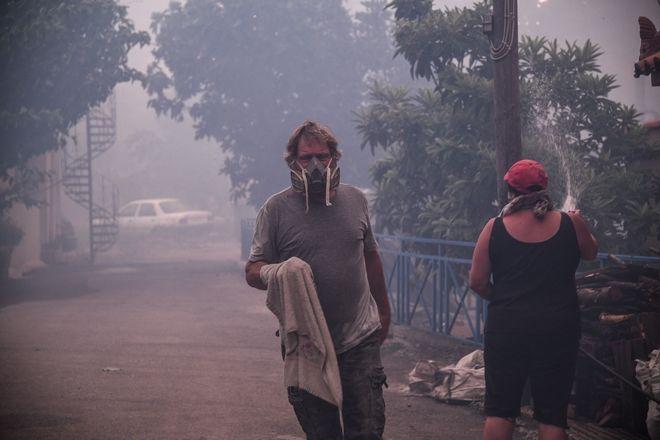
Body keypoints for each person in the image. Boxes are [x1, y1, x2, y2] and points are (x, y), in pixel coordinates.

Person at [245, 120, 391, 440]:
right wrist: (279, 270)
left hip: (358, 337)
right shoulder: (276, 209)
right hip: (306, 343)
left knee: (366, 431)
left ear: (335, 159)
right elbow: (253, 270)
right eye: (305, 157)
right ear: (292, 162)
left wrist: (384, 312)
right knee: (322, 434)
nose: (314, 166)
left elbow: (371, 257)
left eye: (322, 157)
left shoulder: (356, 200)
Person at [469, 159, 598, 440]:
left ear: (510, 191)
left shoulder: (494, 227)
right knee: (552, 416)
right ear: (545, 189)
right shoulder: (571, 222)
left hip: (507, 328)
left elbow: (476, 282)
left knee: (500, 411)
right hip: (558, 328)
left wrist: (502, 298)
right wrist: (578, 222)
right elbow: (590, 253)